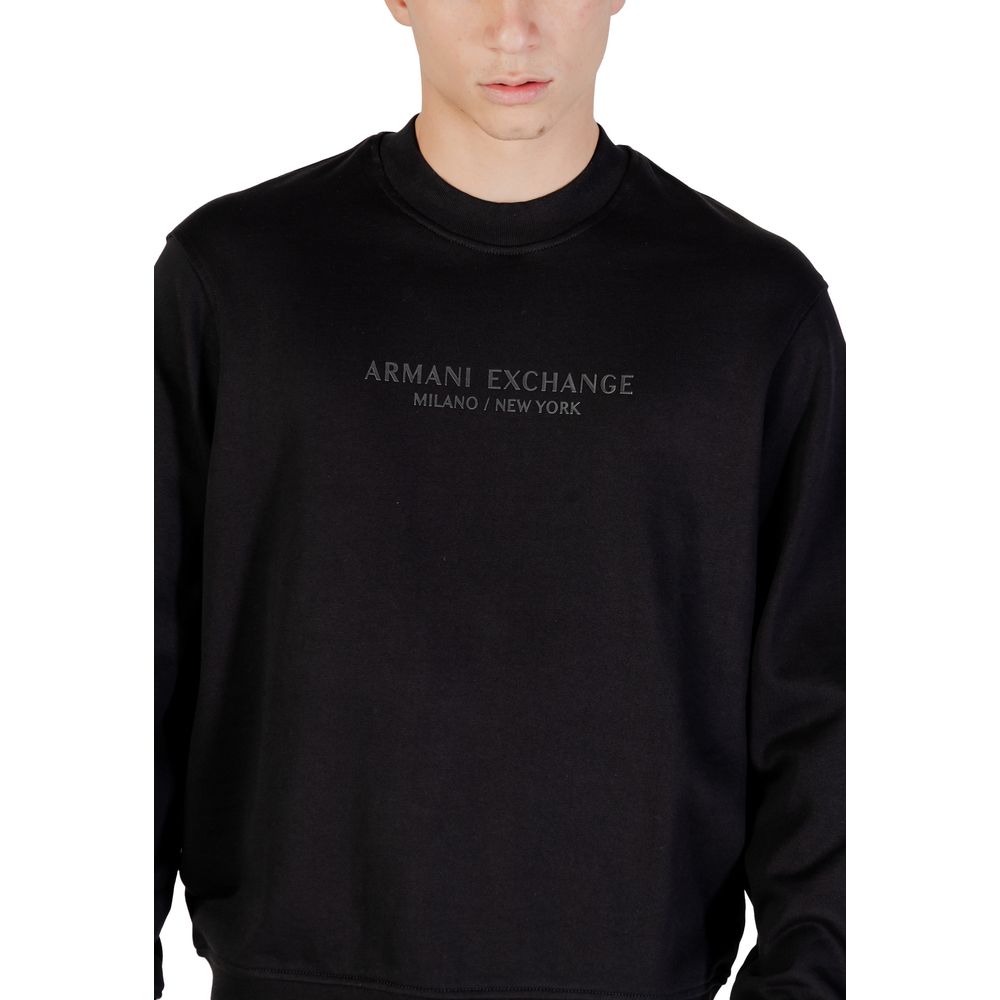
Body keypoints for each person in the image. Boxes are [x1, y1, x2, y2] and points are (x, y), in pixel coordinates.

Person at [154, 2, 846, 999]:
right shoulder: (236, 280)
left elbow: (820, 709)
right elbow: (135, 664)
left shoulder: (755, 313)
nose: (513, 26)